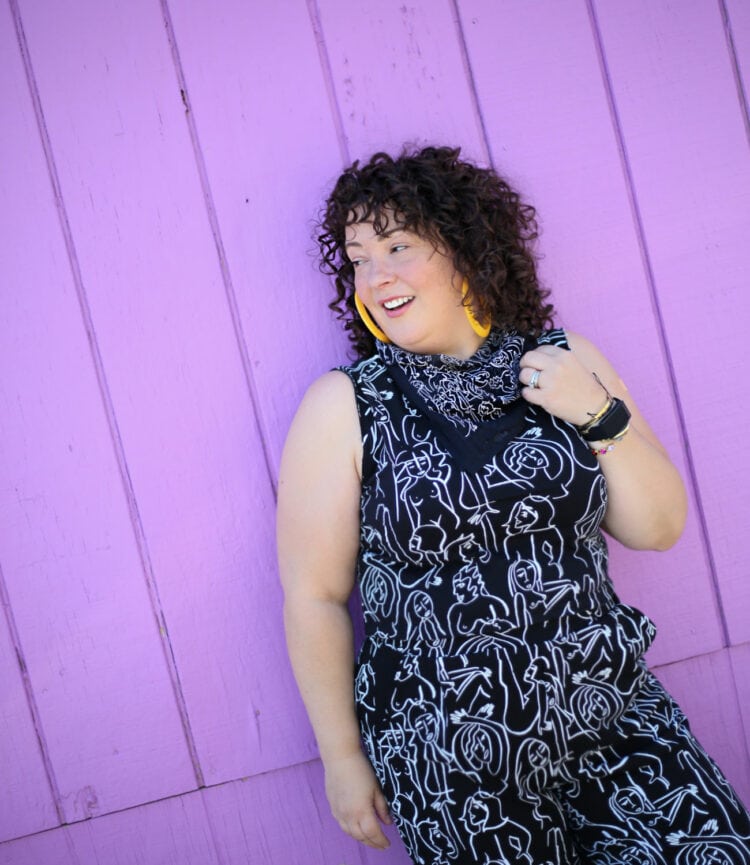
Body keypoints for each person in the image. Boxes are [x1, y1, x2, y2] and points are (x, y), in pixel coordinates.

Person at [277, 145, 750, 864]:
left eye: (399, 246)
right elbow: (313, 593)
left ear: (465, 246)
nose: (377, 278)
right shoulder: (346, 406)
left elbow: (659, 526)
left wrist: (596, 412)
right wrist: (342, 757)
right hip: (454, 753)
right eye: (359, 257)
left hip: (614, 716)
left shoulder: (567, 361)